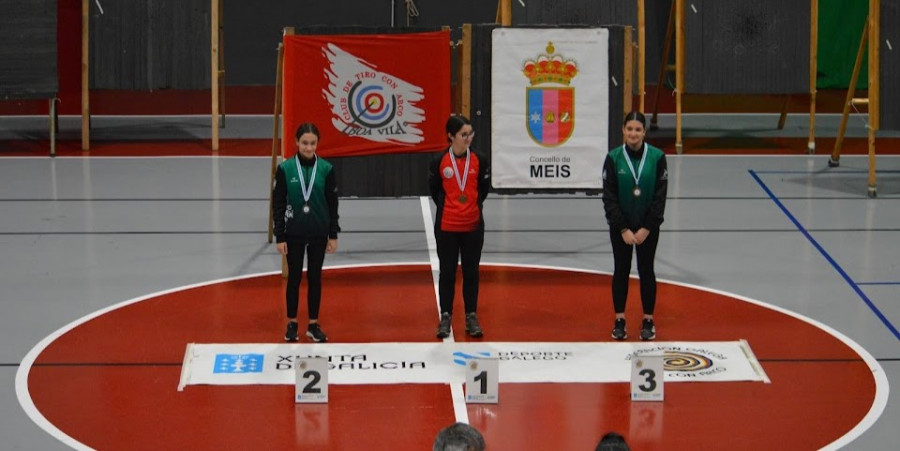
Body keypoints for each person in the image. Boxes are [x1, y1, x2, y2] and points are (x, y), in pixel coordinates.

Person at [602, 111, 667, 341]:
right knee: (621, 269)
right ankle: (620, 319)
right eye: (629, 129)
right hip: (622, 228)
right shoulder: (613, 158)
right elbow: (609, 197)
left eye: (638, 130)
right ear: (623, 130)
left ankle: (648, 319)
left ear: (644, 132)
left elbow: (660, 197)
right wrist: (623, 229)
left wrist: (647, 228)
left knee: (646, 270)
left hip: (647, 228)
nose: (633, 134)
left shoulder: (658, 158)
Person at [272, 122, 340, 342]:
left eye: (312, 143)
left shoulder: (327, 170)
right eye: (304, 143)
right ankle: (292, 323)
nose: (309, 148)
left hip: (319, 232)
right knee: (293, 278)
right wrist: (280, 235)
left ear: (317, 143)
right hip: (294, 233)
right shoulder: (285, 169)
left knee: (315, 278)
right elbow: (279, 204)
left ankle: (313, 324)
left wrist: (333, 234)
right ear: (296, 143)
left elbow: (333, 204)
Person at [429, 115, 490, 339]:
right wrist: (451, 208)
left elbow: (483, 190)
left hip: (473, 226)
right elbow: (435, 190)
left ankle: (471, 316)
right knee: (447, 272)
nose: (468, 138)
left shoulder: (480, 160)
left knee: (471, 272)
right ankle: (446, 316)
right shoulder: (439, 162)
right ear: (451, 136)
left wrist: (470, 207)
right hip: (447, 227)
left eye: (470, 134)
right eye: (463, 135)